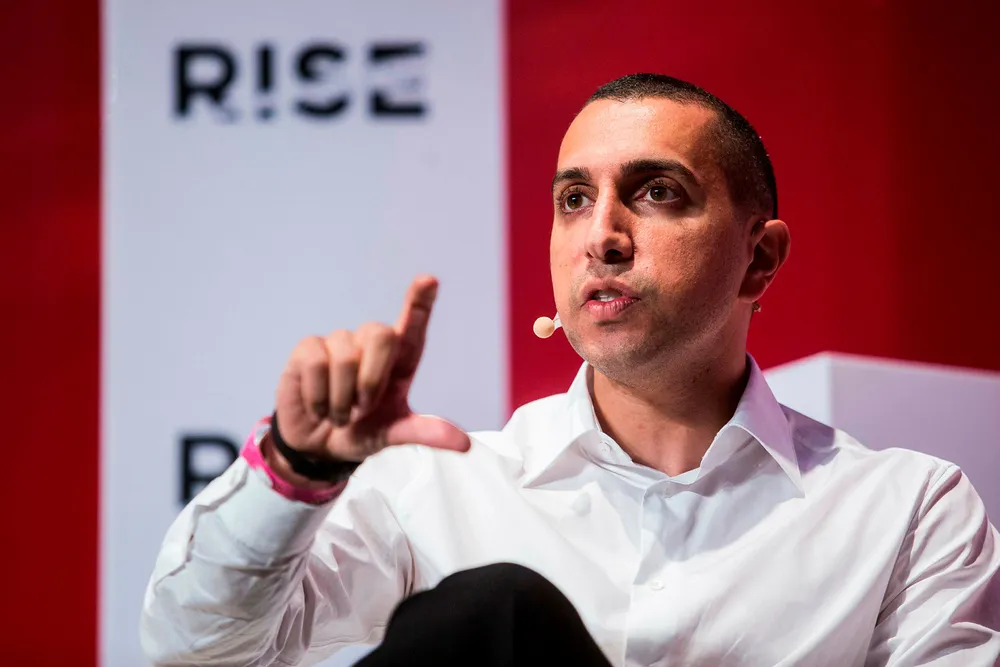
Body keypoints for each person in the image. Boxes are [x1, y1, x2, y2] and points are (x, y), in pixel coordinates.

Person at [140, 74, 1000, 666]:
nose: (602, 236)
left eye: (657, 192)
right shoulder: (434, 488)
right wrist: (296, 468)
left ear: (759, 258)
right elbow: (197, 652)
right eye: (574, 198)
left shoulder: (906, 509)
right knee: (492, 617)